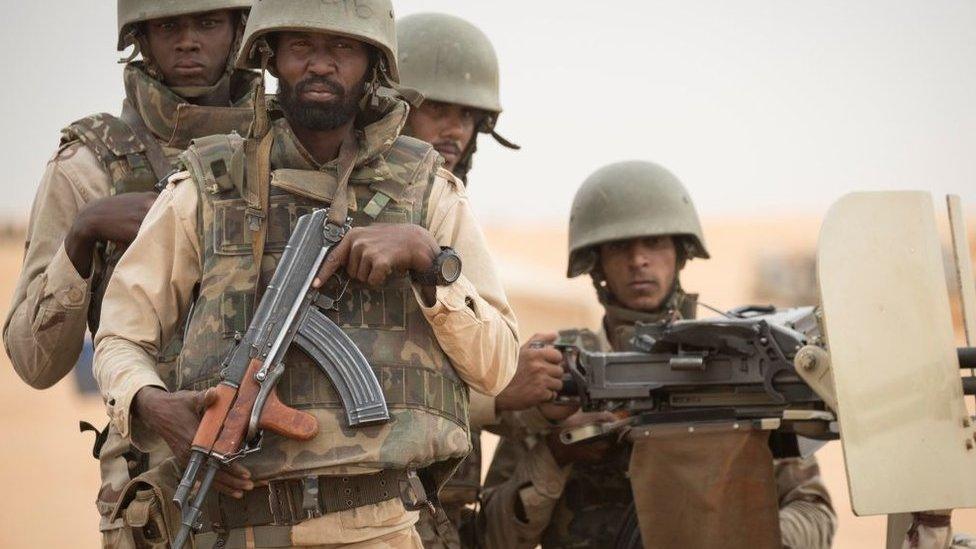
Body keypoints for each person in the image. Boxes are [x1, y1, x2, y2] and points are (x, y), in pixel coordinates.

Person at [93, 0, 519, 546]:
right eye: (302, 47)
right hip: (234, 523)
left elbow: (499, 365)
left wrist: (428, 261)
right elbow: (121, 334)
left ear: (373, 64)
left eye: (341, 48)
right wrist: (153, 405)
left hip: (378, 527)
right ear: (271, 58)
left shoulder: (427, 189)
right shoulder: (205, 185)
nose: (320, 64)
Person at [2, 1, 258, 546]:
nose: (188, 41)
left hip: (281, 476)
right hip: (157, 496)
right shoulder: (89, 167)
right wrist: (83, 234)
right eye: (169, 26)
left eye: (207, 23)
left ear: (241, 30)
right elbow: (33, 361)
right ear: (140, 39)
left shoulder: (287, 146)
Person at [478, 161, 837, 548]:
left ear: (681, 254)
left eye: (654, 243)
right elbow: (491, 539)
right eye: (619, 246)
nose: (638, 260)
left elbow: (813, 509)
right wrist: (557, 454)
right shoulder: (559, 374)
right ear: (596, 264)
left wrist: (754, 537)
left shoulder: (735, 360)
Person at [396, 13, 542, 548]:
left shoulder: (454, 212)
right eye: (436, 109)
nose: (455, 129)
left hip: (441, 513)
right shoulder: (367, 212)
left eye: (468, 114)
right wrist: (501, 395)